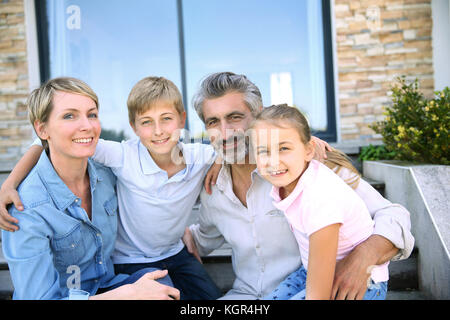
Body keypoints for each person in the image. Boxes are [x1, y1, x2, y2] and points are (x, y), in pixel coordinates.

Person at [182, 71, 414, 299]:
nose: (224, 134)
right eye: (213, 122)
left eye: (234, 117)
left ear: (258, 117)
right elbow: (199, 239)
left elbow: (393, 214)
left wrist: (363, 258)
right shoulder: (214, 188)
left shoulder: (310, 167)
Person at [0, 77, 221, 300]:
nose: (86, 125)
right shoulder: (26, 208)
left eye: (92, 114)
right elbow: (41, 144)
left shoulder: (104, 174)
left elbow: (157, 197)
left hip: (108, 283)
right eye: (69, 115)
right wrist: (9, 183)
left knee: (165, 291)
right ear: (42, 128)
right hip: (81, 292)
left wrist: (176, 225)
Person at [251, 104, 389, 300]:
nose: (273, 161)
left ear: (308, 150)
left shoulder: (320, 196)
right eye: (263, 151)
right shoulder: (287, 183)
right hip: (312, 270)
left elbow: (319, 296)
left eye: (284, 148)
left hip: (361, 284)